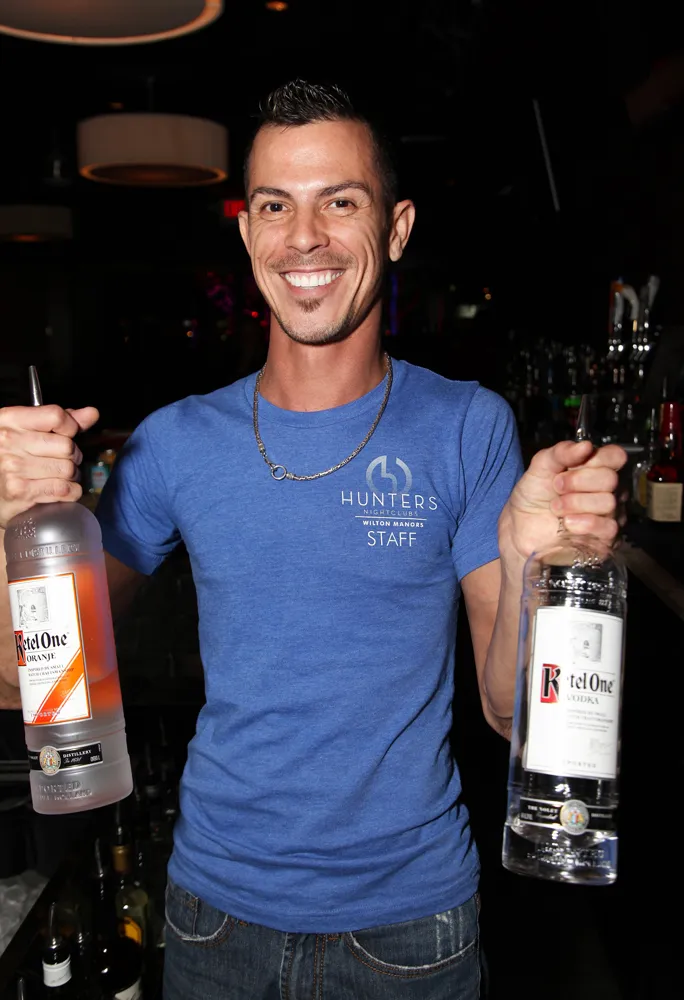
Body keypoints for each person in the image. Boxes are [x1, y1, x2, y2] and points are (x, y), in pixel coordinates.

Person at [0, 80, 625, 1000]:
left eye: (340, 202)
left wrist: (537, 558)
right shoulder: (175, 442)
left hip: (410, 924)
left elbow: (508, 712)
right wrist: (14, 527)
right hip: (215, 913)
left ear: (397, 228)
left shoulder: (467, 426)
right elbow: (26, 683)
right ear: (246, 231)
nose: (303, 237)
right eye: (274, 206)